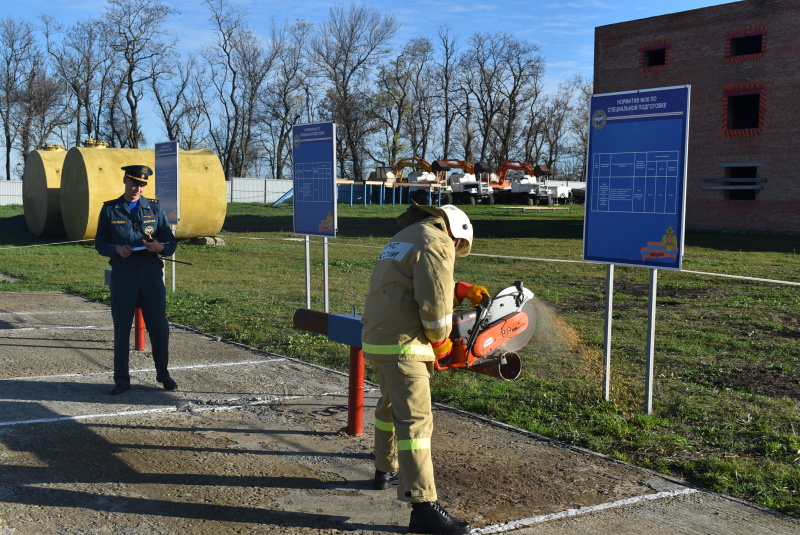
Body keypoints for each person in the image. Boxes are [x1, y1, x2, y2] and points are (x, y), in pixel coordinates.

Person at [360, 203, 490, 535]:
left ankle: (384, 470)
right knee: (416, 422)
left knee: (389, 408)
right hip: (404, 344)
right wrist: (442, 343)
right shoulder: (437, 241)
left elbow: (410, 281)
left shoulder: (406, 235)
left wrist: (460, 288)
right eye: (459, 247)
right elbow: (433, 308)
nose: (455, 251)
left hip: (377, 337)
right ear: (457, 233)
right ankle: (423, 508)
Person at [95, 165, 178, 395]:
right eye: (134, 183)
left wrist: (160, 247)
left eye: (142, 185)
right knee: (122, 329)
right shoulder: (110, 210)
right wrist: (116, 249)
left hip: (150, 273)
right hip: (124, 274)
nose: (137, 188)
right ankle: (122, 379)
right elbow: (100, 244)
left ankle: (163, 373)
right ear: (124, 181)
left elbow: (170, 242)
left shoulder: (153, 207)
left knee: (159, 327)